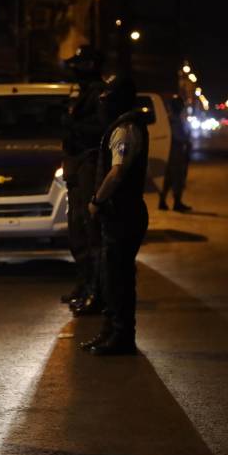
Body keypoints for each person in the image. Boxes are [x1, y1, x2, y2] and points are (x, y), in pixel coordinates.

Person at [85, 75, 149, 355]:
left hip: (124, 213)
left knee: (119, 278)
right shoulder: (121, 127)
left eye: (107, 99)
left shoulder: (125, 130)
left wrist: (97, 200)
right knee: (111, 276)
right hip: (118, 214)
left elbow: (117, 171)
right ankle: (109, 331)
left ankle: (122, 337)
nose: (102, 104)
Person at [61, 45, 108, 316]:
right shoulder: (83, 93)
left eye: (80, 65)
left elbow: (101, 130)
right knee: (77, 230)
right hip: (77, 168)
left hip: (89, 165)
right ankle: (84, 284)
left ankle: (94, 290)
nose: (75, 70)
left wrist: (71, 125)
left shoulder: (99, 92)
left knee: (89, 230)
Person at [159, 95, 192, 212]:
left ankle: (162, 201)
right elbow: (179, 137)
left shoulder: (169, 118)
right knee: (177, 177)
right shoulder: (174, 120)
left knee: (168, 178)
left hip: (170, 151)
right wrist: (187, 142)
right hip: (175, 151)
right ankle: (176, 203)